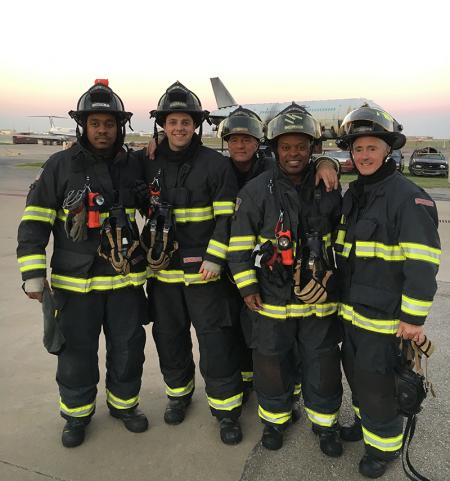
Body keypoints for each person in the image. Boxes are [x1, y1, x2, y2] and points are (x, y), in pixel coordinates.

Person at [17, 80, 149, 448]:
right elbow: (34, 221)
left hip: (124, 282)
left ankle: (124, 406)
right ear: (83, 126)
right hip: (76, 286)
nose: (103, 130)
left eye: (109, 123)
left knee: (128, 349)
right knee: (76, 354)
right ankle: (76, 415)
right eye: (96, 124)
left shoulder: (134, 164)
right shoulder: (60, 166)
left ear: (119, 126)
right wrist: (32, 274)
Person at [228, 104, 343, 452]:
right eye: (286, 147)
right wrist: (247, 286)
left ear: (313, 149)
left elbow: (343, 240)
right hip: (270, 301)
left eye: (301, 147)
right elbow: (238, 245)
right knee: (270, 364)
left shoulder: (329, 185)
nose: (294, 154)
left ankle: (325, 426)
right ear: (275, 148)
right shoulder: (255, 191)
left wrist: (335, 282)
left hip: (318, 301)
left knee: (321, 363)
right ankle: (275, 423)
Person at [335, 105, 441, 478]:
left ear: (387, 151)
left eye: (371, 148)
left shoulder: (407, 197)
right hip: (352, 312)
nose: (364, 156)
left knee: (379, 382)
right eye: (358, 149)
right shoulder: (357, 194)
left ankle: (384, 448)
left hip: (385, 319)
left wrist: (413, 319)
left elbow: (423, 262)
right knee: (358, 376)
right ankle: (369, 429)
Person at [140, 81, 243, 445]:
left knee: (215, 342)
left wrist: (216, 258)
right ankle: (178, 394)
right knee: (169, 338)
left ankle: (226, 409)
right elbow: (116, 173)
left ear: (196, 125)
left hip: (204, 274)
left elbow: (227, 217)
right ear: (162, 126)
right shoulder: (147, 160)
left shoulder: (216, 165)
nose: (179, 129)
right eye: (172, 123)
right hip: (164, 273)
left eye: (185, 122)